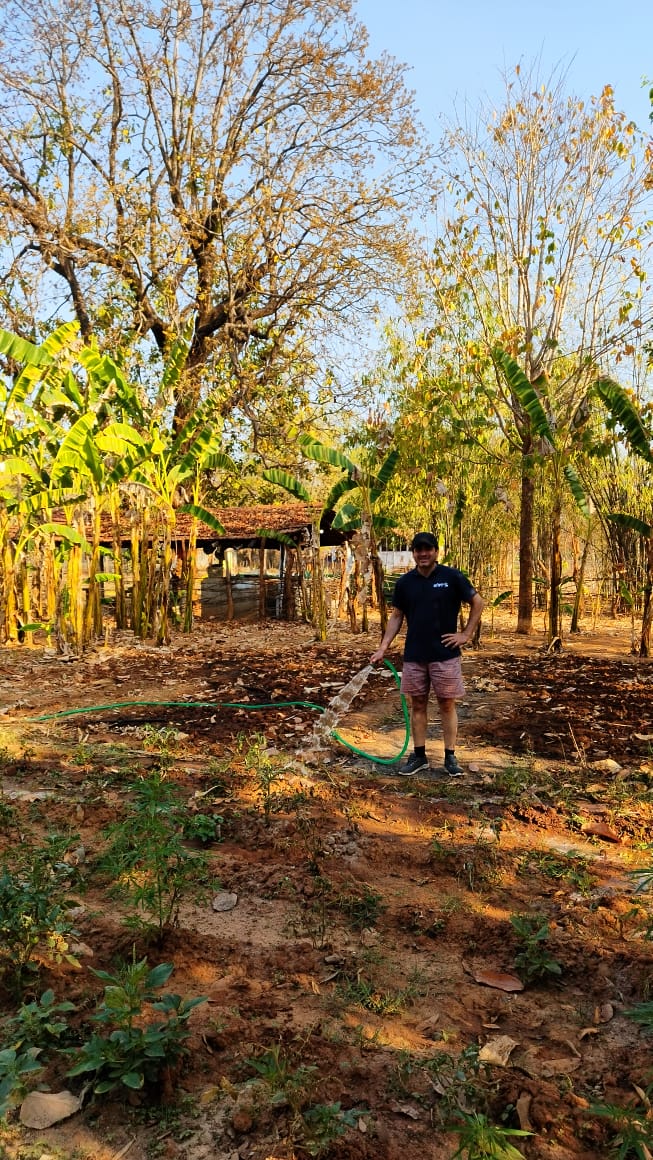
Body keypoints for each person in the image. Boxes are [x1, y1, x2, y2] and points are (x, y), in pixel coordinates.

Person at [370, 532, 484, 777]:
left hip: (445, 654)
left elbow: (478, 602)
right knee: (418, 703)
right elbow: (397, 616)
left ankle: (450, 757)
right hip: (415, 655)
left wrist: (465, 634)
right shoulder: (405, 583)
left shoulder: (452, 577)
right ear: (413, 552)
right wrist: (382, 648)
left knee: (446, 704)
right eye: (418, 549)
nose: (423, 553)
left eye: (427, 549)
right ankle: (419, 755)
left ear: (435, 552)